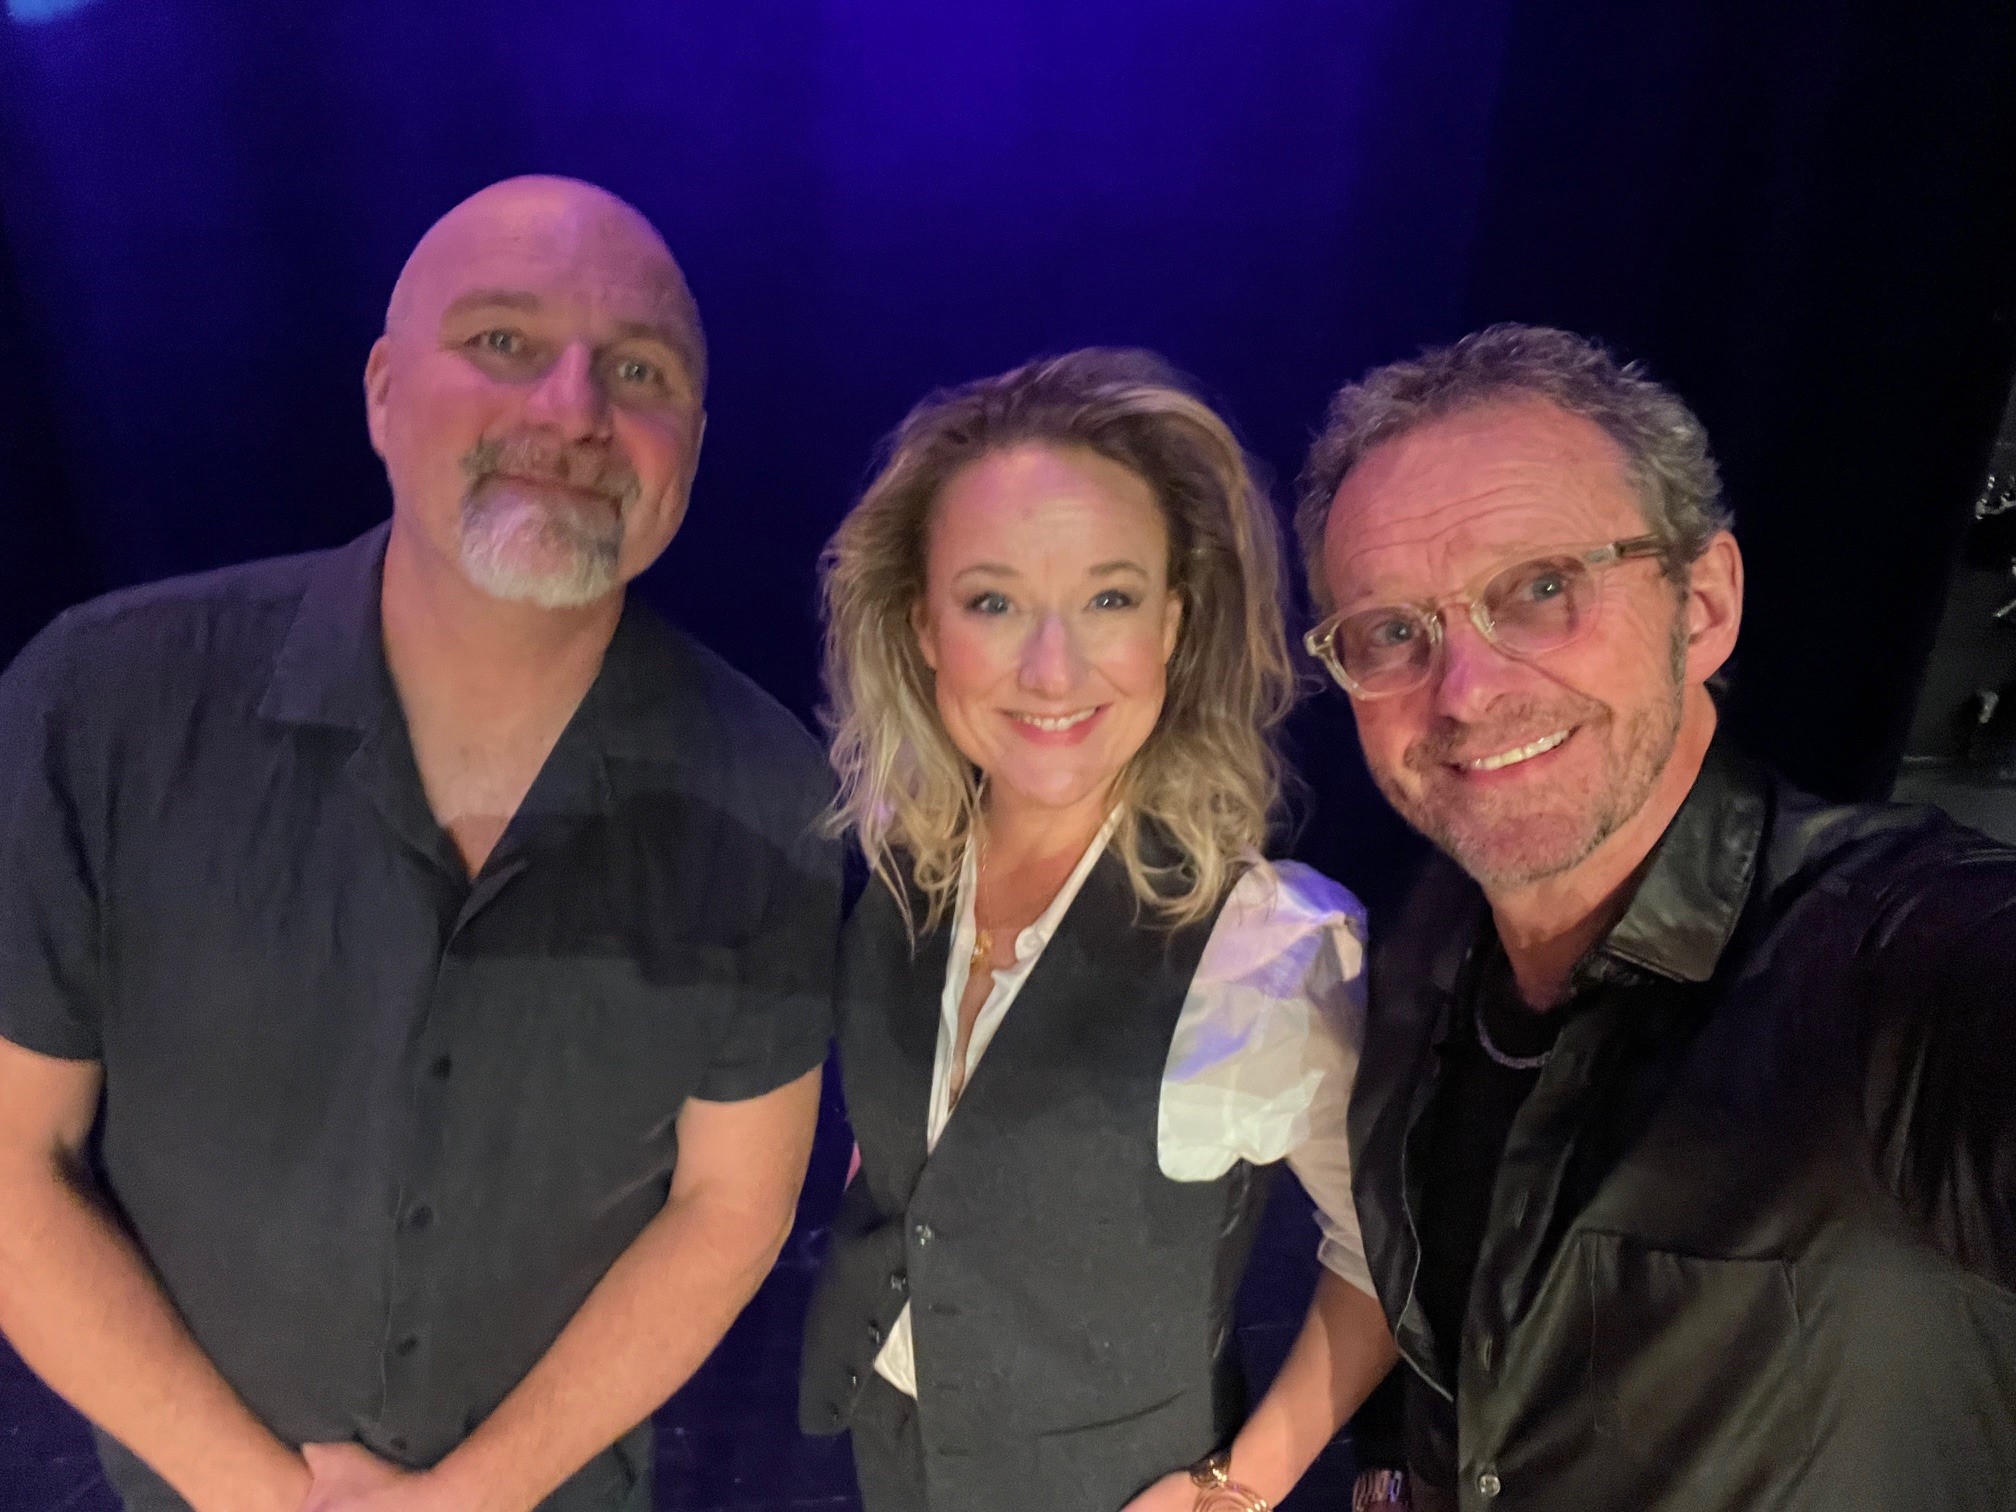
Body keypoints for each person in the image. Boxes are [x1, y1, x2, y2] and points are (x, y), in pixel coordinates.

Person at [0, 176, 840, 1512]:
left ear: (691, 442)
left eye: (639, 370)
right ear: (385, 394)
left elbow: (731, 1210)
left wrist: (468, 1500)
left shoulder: (773, 792)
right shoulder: (100, 706)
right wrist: (260, 1495)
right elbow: (12, 1163)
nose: (572, 409)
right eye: (504, 341)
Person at [1295, 323, 2016, 1509]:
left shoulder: (1900, 964)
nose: (1465, 692)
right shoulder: (1430, 953)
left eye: (1541, 589)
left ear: (1705, 604)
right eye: (1394, 633)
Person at [798, 348, 1401, 1512]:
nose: (1051, 667)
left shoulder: (1263, 950)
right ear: (923, 626)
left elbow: (1383, 1254)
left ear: (1172, 624)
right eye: (992, 602)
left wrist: (1240, 1487)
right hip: (890, 1456)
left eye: (1109, 600)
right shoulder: (906, 874)